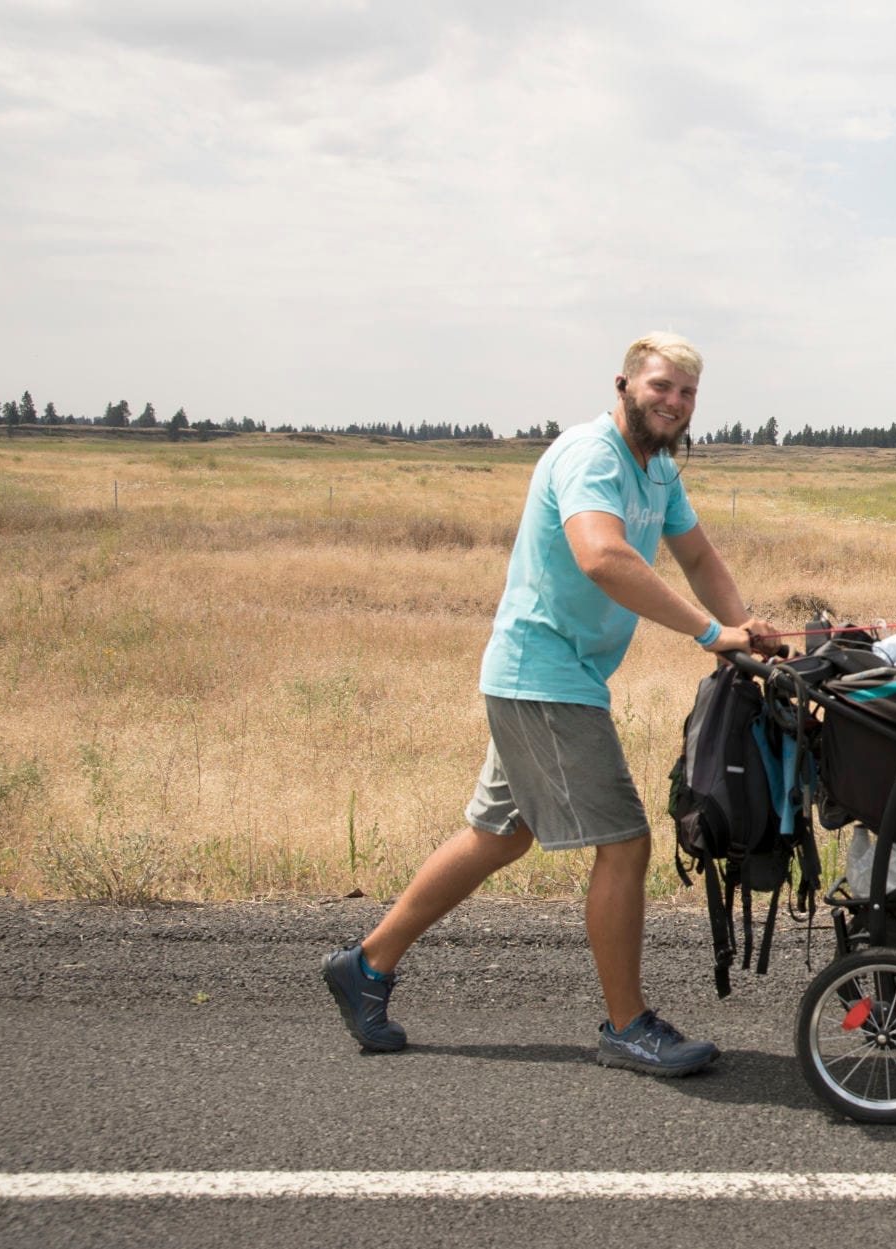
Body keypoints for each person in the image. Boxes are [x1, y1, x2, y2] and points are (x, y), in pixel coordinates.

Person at [324, 331, 773, 1077]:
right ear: (625, 385)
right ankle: (627, 1026)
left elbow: (697, 556)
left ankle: (365, 965)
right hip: (545, 677)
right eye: (662, 386)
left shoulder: (658, 471)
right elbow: (601, 555)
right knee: (625, 842)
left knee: (499, 835)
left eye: (689, 393)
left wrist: (743, 632)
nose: (675, 402)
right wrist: (707, 632)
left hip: (547, 676)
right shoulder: (590, 455)